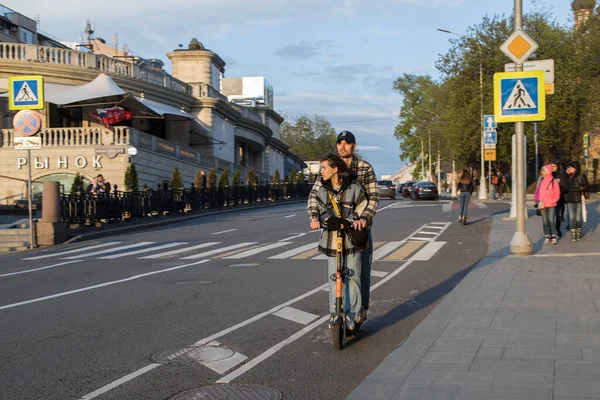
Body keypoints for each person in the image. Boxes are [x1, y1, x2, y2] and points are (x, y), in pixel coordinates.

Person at [307, 130, 379, 324]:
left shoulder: (364, 168)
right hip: (334, 231)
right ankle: (336, 313)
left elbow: (372, 198)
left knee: (359, 272)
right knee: (335, 273)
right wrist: (315, 216)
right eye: (340, 143)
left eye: (347, 143)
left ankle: (359, 311)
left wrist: (362, 218)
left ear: (354, 146)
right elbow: (315, 196)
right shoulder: (328, 167)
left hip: (358, 229)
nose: (343, 146)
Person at [534, 165, 561, 244]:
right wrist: (537, 200)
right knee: (545, 221)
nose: (542, 172)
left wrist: (553, 200)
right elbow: (537, 191)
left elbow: (557, 193)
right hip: (542, 204)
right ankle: (547, 236)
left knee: (551, 220)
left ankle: (553, 236)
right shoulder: (541, 180)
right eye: (542, 171)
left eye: (543, 171)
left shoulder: (553, 181)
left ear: (548, 171)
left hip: (551, 204)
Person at [564, 160, 589, 241]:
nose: (570, 169)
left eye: (571, 167)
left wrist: (576, 189)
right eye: (569, 167)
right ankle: (573, 234)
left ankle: (578, 230)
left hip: (578, 199)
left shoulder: (581, 176)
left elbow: (586, 186)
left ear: (576, 168)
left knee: (578, 218)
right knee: (571, 217)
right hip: (570, 199)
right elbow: (564, 187)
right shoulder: (568, 177)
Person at [550, 160, 568, 238]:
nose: (553, 168)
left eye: (554, 166)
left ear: (557, 167)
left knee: (558, 216)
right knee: (550, 217)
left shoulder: (561, 175)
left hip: (559, 199)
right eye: (551, 166)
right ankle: (551, 231)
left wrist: (558, 189)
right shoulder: (548, 175)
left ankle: (557, 229)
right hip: (549, 200)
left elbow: (565, 186)